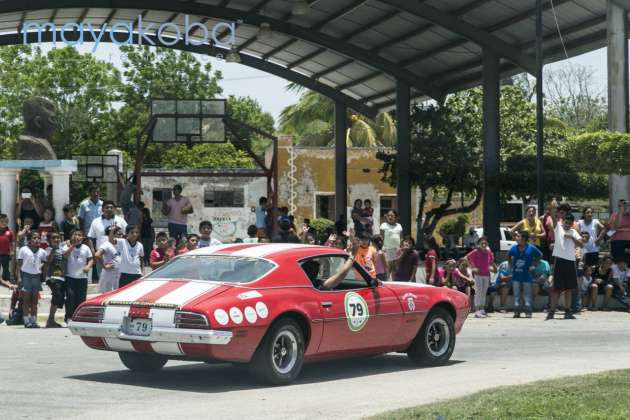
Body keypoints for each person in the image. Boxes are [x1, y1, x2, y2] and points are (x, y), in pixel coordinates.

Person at [547, 204, 583, 320]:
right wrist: (553, 209)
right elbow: (553, 217)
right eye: (566, 222)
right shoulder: (558, 227)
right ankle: (551, 312)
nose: (567, 225)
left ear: (572, 223)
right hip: (560, 261)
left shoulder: (573, 232)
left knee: (569, 288)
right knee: (556, 289)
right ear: (563, 221)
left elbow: (581, 244)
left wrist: (571, 238)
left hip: (571, 261)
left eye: (569, 223)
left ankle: (567, 311)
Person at [16, 231, 48, 327]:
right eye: (34, 238)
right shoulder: (23, 250)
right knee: (26, 300)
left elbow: (45, 263)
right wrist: (18, 277)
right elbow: (19, 265)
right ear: (29, 240)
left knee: (34, 300)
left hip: (36, 277)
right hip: (26, 276)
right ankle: (26, 320)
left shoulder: (42, 251)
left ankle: (33, 320)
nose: (37, 240)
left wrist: (41, 268)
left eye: (38, 238)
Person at [507, 231, 541, 318]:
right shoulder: (514, 248)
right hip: (516, 275)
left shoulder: (531, 248)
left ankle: (528, 312)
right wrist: (510, 265)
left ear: (523, 239)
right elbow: (508, 256)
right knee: (516, 295)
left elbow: (540, 255)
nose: (516, 238)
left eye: (518, 236)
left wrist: (534, 265)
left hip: (527, 275)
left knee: (527, 295)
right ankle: (517, 311)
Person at [61, 230, 93, 323]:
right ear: (71, 237)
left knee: (81, 298)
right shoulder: (66, 246)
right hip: (70, 277)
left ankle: (78, 317)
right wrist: (73, 245)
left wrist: (88, 266)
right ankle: (69, 317)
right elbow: (65, 256)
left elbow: (91, 259)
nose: (78, 237)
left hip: (82, 278)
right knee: (70, 297)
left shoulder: (86, 248)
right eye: (75, 235)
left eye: (80, 235)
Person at [467, 236, 495, 318]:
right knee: (478, 292)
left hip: (486, 275)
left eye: (485, 243)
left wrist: (490, 266)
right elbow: (467, 258)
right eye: (481, 243)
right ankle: (477, 311)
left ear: (487, 244)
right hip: (478, 275)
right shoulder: (475, 251)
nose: (483, 245)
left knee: (484, 292)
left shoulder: (489, 252)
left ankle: (482, 309)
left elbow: (490, 262)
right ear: (478, 244)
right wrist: (473, 267)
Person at [44, 232, 65, 328]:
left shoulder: (62, 249)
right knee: (57, 295)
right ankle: (50, 320)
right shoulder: (48, 249)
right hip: (51, 277)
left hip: (61, 277)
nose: (56, 239)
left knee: (58, 297)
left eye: (58, 238)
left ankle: (51, 320)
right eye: (54, 238)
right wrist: (54, 249)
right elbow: (48, 261)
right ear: (49, 241)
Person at [94, 225, 121, 293]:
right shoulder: (106, 244)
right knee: (107, 296)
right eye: (119, 234)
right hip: (109, 276)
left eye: (121, 234)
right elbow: (97, 255)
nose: (121, 236)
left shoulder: (120, 244)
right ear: (111, 234)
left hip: (118, 275)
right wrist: (104, 266)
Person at [380, 210, 403, 280]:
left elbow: (401, 237)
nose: (390, 217)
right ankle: (386, 283)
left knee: (395, 269)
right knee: (387, 268)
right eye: (388, 215)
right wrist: (381, 248)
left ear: (395, 217)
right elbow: (381, 238)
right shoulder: (383, 225)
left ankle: (394, 283)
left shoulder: (399, 226)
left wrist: (401, 249)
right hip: (387, 249)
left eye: (392, 215)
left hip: (397, 250)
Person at [608, 199, 630, 265]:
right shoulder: (614, 215)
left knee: (628, 263)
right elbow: (614, 227)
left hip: (628, 242)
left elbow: (617, 228)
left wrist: (621, 229)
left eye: (624, 205)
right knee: (617, 263)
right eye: (620, 205)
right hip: (616, 242)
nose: (623, 206)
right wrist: (620, 213)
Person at [0, 214, 15, 289]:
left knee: (6, 268)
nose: (4, 223)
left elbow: (12, 243)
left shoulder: (9, 232)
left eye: (6, 221)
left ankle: (6, 280)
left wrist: (12, 251)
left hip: (6, 254)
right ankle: (1, 280)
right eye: (2, 221)